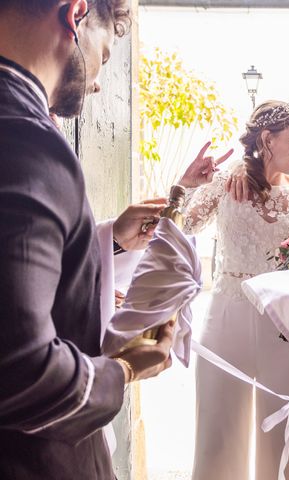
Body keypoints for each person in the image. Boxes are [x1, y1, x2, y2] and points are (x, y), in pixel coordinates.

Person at [0, 1, 175, 478]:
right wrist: (124, 370)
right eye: (106, 50)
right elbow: (21, 371)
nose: (98, 79)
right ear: (75, 14)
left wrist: (109, 239)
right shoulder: (28, 139)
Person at [179, 100, 289, 480]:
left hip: (285, 323)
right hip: (228, 316)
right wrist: (188, 183)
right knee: (218, 434)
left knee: (287, 429)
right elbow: (183, 225)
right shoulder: (226, 180)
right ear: (267, 139)